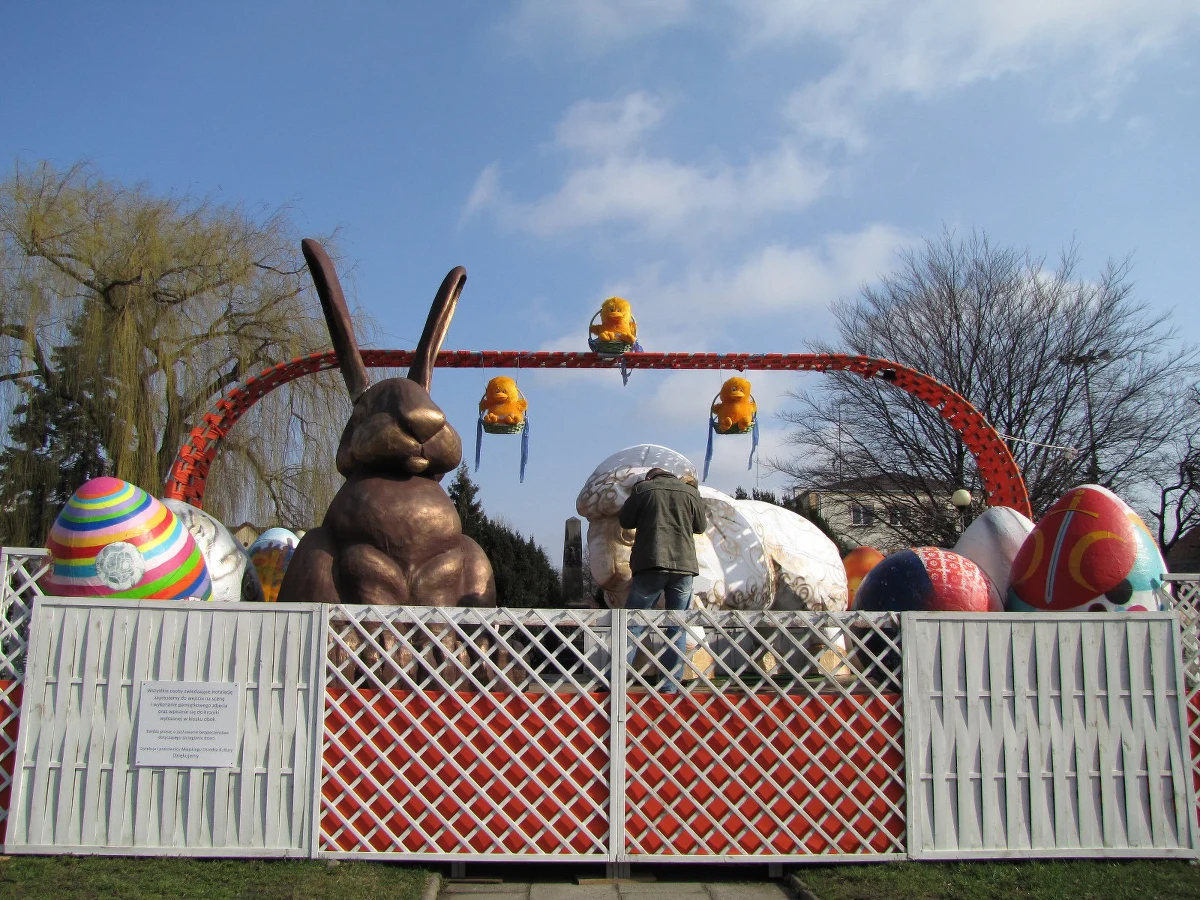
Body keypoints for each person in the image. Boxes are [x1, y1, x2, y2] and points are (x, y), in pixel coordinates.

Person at [618, 467, 707, 687]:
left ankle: (617, 682)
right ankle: (670, 686)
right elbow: (700, 526)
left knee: (633, 623)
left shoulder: (643, 489)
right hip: (684, 565)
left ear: (649, 477)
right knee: (678, 625)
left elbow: (625, 521)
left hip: (651, 562)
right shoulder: (690, 492)